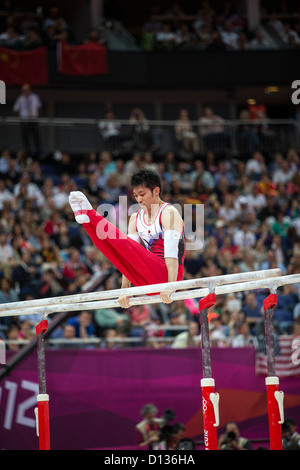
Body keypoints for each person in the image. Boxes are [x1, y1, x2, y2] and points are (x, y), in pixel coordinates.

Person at [69, 169, 185, 307]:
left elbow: (172, 253)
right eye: (136, 195)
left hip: (168, 274)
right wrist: (125, 289)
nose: (139, 199)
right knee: (114, 251)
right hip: (147, 278)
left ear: (156, 191)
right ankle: (87, 222)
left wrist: (171, 285)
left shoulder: (168, 212)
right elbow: (128, 256)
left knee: (120, 241)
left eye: (142, 194)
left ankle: (91, 214)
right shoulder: (135, 218)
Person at [13, 84, 42, 155]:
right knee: (25, 138)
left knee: (36, 136)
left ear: (29, 90)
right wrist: (19, 119)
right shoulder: (20, 98)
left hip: (33, 120)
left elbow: (39, 108)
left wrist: (38, 118)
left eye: (26, 90)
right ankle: (27, 152)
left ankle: (38, 152)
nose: (25, 91)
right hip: (25, 120)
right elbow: (15, 109)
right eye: (23, 90)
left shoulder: (35, 97)